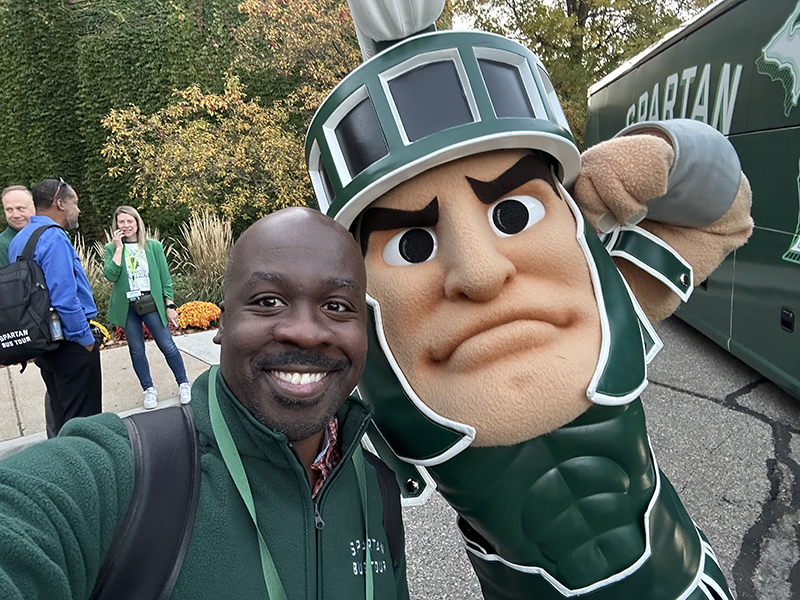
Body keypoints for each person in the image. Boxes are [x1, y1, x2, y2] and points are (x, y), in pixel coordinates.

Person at [304, 2, 753, 599]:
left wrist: (643, 160)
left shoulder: (606, 304)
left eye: (514, 213)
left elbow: (726, 212)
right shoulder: (375, 403)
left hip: (684, 582)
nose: (481, 273)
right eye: (412, 244)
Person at [0, 206, 410, 600]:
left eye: (337, 306)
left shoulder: (378, 488)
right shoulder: (123, 477)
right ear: (223, 322)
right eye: (268, 301)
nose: (305, 332)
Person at [7, 177, 102, 437]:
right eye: (75, 203)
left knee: (60, 418)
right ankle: (86, 474)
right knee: (85, 426)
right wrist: (85, 340)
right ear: (60, 203)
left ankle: (62, 471)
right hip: (70, 344)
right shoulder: (54, 237)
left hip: (44, 344)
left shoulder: (20, 239)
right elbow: (65, 298)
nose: (78, 210)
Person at [103, 205, 190, 409]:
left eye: (129, 221)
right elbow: (110, 275)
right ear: (116, 225)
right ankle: (148, 389)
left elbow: (165, 279)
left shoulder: (153, 246)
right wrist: (118, 248)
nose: (125, 226)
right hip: (127, 306)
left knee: (167, 345)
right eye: (121, 222)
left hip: (151, 302)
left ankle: (183, 383)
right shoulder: (111, 248)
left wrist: (170, 305)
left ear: (137, 222)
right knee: (136, 350)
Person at [0, 185, 35, 267]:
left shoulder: (48, 235)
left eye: (20, 209)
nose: (15, 215)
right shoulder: (2, 245)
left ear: (34, 207)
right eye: (9, 210)